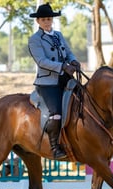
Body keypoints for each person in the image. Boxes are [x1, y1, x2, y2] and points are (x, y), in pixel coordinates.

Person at [28, 3, 81, 160]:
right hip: (47, 83)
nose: (47, 22)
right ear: (38, 21)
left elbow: (69, 53)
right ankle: (54, 147)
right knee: (56, 114)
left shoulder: (58, 35)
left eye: (49, 19)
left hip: (65, 78)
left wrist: (74, 61)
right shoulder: (35, 39)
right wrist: (63, 66)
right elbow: (42, 61)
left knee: (85, 100)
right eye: (44, 19)